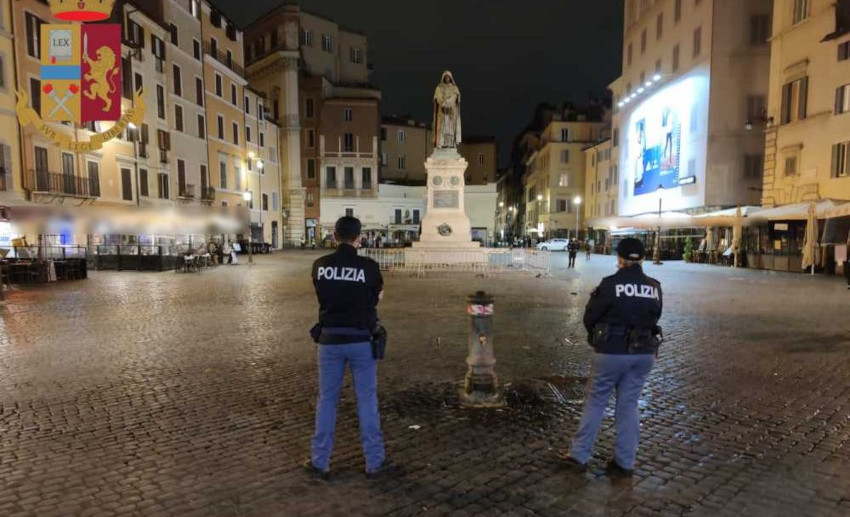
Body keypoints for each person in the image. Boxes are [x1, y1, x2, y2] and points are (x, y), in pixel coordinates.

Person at [304, 216, 398, 481]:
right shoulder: (368, 267)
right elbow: (377, 297)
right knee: (367, 401)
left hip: (330, 341)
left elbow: (322, 295)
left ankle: (319, 462)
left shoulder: (320, 266)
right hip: (360, 341)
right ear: (359, 238)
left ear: (334, 237)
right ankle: (374, 463)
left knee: (327, 401)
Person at [560, 238, 663, 477]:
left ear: (619, 258)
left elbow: (590, 318)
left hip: (611, 351)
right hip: (643, 353)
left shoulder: (610, 284)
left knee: (596, 402)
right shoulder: (654, 286)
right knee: (628, 405)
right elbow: (655, 315)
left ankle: (579, 455)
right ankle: (625, 462)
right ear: (643, 258)